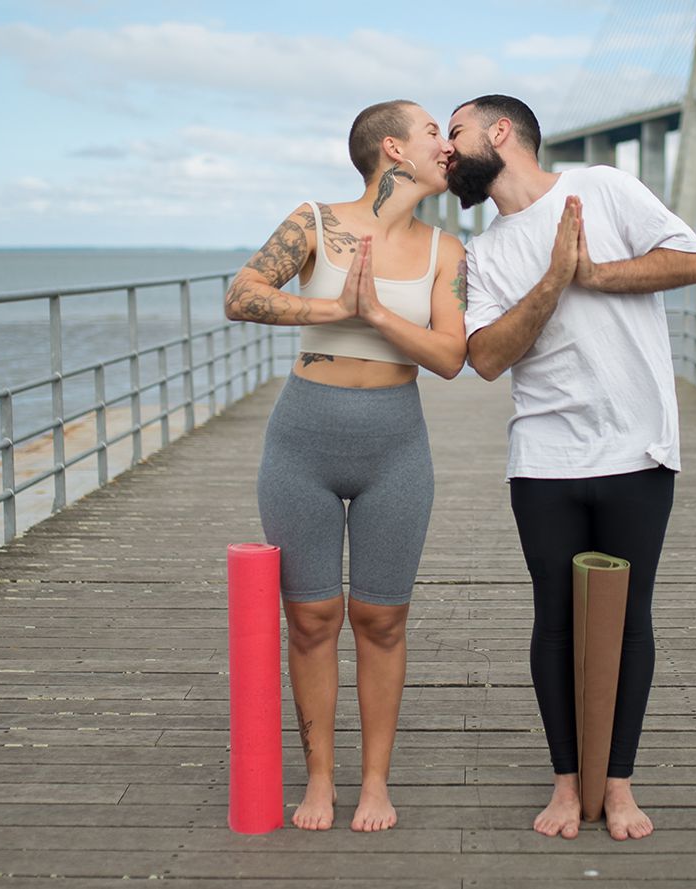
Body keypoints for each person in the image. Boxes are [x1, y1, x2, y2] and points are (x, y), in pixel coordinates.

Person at [444, 94, 696, 841]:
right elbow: (488, 359)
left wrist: (587, 271)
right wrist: (553, 279)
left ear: (501, 133)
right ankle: (568, 782)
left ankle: (617, 783)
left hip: (637, 447)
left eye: (454, 131)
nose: (445, 149)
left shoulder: (601, 187)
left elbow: (694, 261)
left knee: (631, 621)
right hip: (545, 457)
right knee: (555, 619)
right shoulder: (483, 253)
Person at [222, 99, 467, 832]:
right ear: (393, 148)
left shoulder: (444, 250)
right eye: (432, 132)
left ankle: (376, 782)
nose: (445, 145)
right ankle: (321, 779)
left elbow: (452, 358)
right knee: (312, 618)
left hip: (396, 446)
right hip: (302, 443)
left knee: (382, 619)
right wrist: (335, 312)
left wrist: (381, 317)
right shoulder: (314, 221)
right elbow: (241, 294)